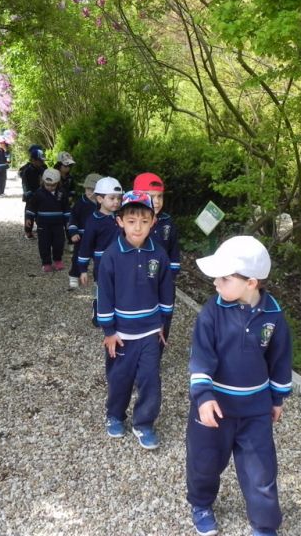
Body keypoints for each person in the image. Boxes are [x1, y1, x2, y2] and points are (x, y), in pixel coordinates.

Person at [186, 235, 293, 536]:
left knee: (261, 471)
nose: (215, 284)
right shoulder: (212, 313)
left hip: (255, 409)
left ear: (251, 283)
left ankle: (265, 524)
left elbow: (280, 358)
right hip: (214, 408)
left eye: (224, 278)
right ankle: (201, 504)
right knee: (204, 462)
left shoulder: (273, 315)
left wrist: (277, 398)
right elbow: (201, 356)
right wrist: (203, 396)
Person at [97, 191, 174, 450]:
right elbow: (104, 294)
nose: (137, 227)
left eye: (144, 221)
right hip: (121, 334)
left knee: (150, 380)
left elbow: (166, 291)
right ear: (120, 221)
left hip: (150, 332)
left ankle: (144, 423)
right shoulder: (111, 255)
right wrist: (109, 330)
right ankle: (115, 414)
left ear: (153, 222)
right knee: (120, 379)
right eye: (131, 221)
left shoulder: (159, 254)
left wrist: (163, 323)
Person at [133, 172, 181, 349]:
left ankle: (156, 352)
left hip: (163, 281)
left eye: (160, 196)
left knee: (163, 317)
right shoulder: (132, 223)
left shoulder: (167, 222)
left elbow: (174, 250)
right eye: (152, 197)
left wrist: (171, 275)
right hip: (138, 281)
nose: (157, 201)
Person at [78, 176, 123, 324]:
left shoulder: (121, 218)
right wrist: (83, 269)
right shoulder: (93, 221)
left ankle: (117, 313)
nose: (116, 202)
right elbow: (85, 246)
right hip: (102, 264)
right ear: (100, 199)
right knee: (103, 288)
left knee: (119, 287)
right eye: (112, 198)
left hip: (121, 261)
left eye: (119, 198)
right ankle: (98, 309)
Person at [27, 168, 70, 272]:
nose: (50, 187)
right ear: (43, 182)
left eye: (53, 185)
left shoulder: (62, 193)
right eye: (47, 185)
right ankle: (46, 262)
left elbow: (66, 208)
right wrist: (29, 218)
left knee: (59, 243)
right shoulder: (38, 193)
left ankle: (57, 260)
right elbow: (32, 206)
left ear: (58, 183)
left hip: (58, 224)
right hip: (43, 224)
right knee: (44, 244)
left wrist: (68, 220)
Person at [67, 173, 102, 289]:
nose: (89, 192)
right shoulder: (80, 203)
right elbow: (73, 219)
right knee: (78, 257)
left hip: (98, 237)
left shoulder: (103, 204)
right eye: (87, 189)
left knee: (99, 259)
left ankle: (99, 279)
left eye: (93, 190)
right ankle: (74, 275)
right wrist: (73, 232)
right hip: (82, 237)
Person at [19, 144, 47, 239]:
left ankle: (42, 229)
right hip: (30, 196)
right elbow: (25, 184)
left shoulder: (43, 169)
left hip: (40, 195)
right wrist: (29, 195)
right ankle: (28, 231)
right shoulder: (27, 170)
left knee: (41, 213)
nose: (42, 162)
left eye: (43, 161)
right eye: (40, 161)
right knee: (29, 214)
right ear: (33, 160)